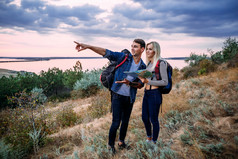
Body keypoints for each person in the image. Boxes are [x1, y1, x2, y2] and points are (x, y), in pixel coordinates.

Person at [74, 39, 146, 153]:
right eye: (132, 46)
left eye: (135, 46)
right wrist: (87, 46)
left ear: (142, 49)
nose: (132, 48)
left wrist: (129, 83)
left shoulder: (142, 66)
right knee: (116, 122)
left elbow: (141, 84)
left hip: (130, 97)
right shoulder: (123, 57)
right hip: (117, 95)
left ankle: (121, 142)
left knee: (125, 121)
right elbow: (106, 52)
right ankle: (110, 146)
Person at [138, 41, 168, 144]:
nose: (147, 51)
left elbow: (165, 82)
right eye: (147, 49)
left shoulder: (161, 63)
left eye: (150, 49)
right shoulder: (149, 64)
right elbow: (147, 79)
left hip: (155, 94)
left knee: (154, 119)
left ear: (156, 50)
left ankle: (154, 141)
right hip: (147, 94)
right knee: (144, 118)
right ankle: (149, 137)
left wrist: (148, 81)